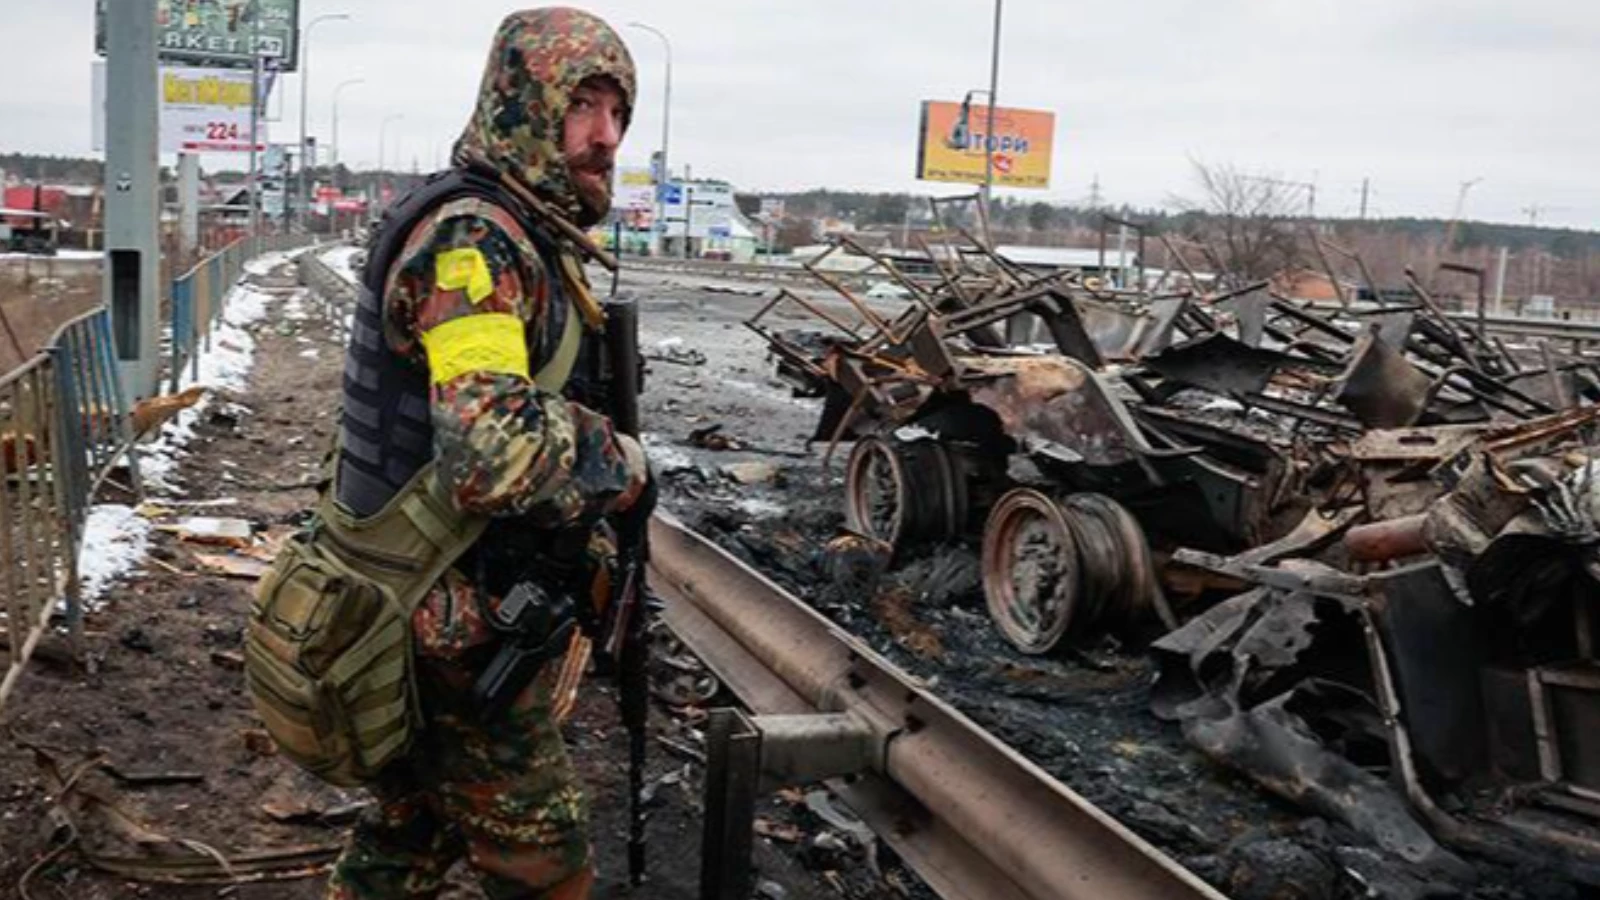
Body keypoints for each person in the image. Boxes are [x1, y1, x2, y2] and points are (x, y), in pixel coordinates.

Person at [324, 8, 649, 898]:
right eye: (581, 105)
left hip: (424, 595)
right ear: (520, 103)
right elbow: (490, 447)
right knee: (547, 868)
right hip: (444, 616)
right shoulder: (475, 241)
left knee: (410, 833)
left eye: (618, 113)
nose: (604, 136)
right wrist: (623, 461)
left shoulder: (514, 227)